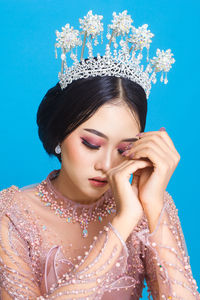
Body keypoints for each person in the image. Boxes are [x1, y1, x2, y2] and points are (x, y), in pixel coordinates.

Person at [0, 10, 199, 300]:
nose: (107, 165)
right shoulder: (12, 213)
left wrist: (154, 205)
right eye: (92, 143)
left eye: (123, 149)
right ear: (59, 135)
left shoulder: (149, 203)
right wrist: (122, 222)